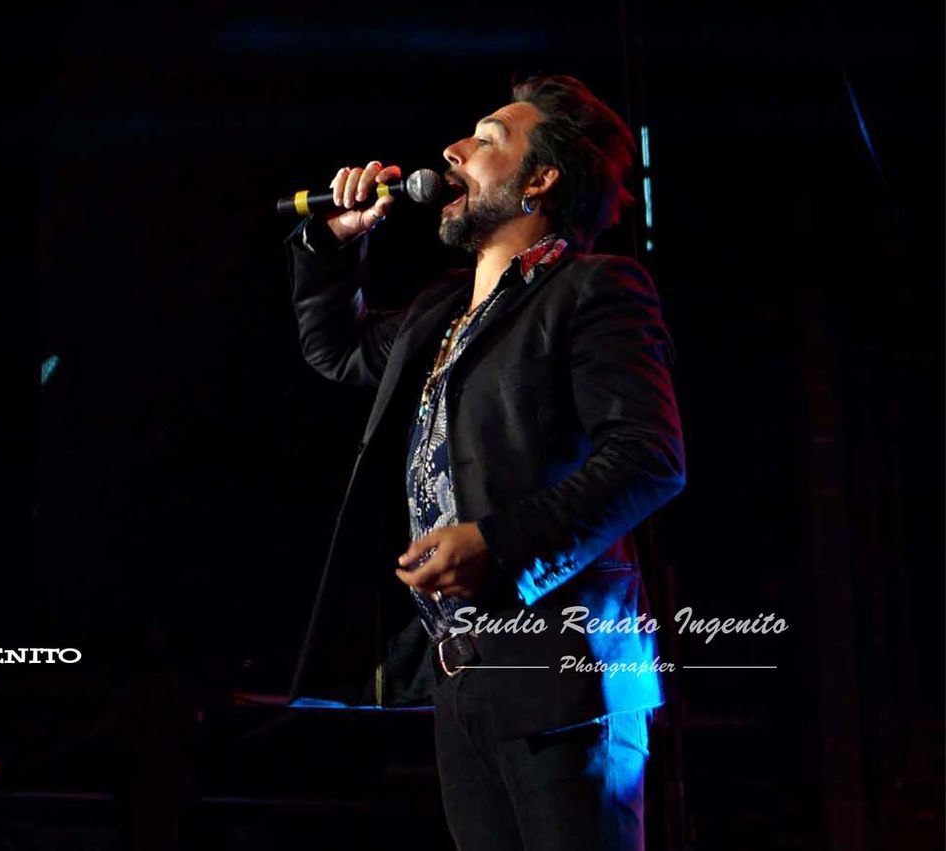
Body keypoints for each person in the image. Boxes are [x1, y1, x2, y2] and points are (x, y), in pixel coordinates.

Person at [284, 75, 686, 850]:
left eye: (488, 138)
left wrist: (500, 543)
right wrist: (332, 243)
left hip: (565, 677)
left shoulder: (594, 288)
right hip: (461, 680)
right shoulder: (441, 313)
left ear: (541, 178)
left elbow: (650, 457)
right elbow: (334, 349)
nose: (453, 150)